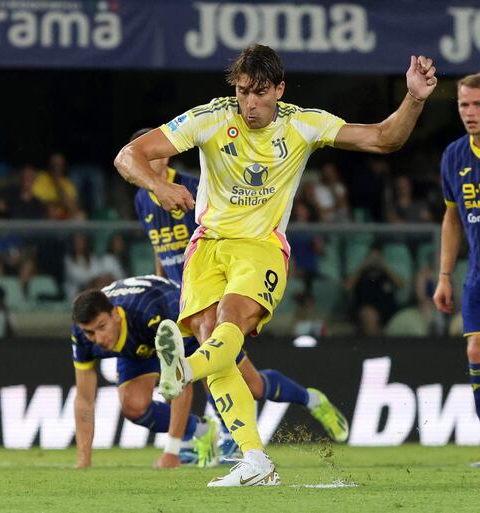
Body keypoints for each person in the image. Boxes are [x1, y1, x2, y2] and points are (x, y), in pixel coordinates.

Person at [114, 44, 436, 486]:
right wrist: (157, 185)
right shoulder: (210, 117)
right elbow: (127, 155)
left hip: (260, 246)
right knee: (214, 344)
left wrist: (414, 98)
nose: (250, 103)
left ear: (279, 89)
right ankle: (255, 459)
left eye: (260, 93)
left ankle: (183, 370)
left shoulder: (303, 124)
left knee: (228, 325)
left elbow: (385, 138)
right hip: (207, 246)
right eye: (244, 91)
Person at [129, 128, 349, 464]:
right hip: (182, 295)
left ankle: (306, 401)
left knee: (248, 382)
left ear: (168, 153)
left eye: (155, 154)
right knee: (208, 369)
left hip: (217, 290)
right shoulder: (143, 196)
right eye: (145, 158)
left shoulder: (192, 185)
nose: (152, 162)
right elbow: (159, 246)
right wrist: (165, 285)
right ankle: (210, 442)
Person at [71, 275, 219, 469]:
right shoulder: (82, 335)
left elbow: (181, 383)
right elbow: (84, 400)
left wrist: (171, 452)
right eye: (90, 332)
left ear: (115, 314)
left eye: (101, 327)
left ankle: (231, 439)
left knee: (216, 379)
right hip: (137, 340)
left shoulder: (151, 313)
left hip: (176, 317)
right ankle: (201, 429)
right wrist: (84, 461)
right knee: (133, 406)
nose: (98, 338)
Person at [432, 72, 480, 468]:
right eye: (464, 104)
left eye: (477, 105)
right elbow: (451, 218)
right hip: (476, 273)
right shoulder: (454, 156)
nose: (470, 112)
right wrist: (445, 275)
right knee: (475, 349)